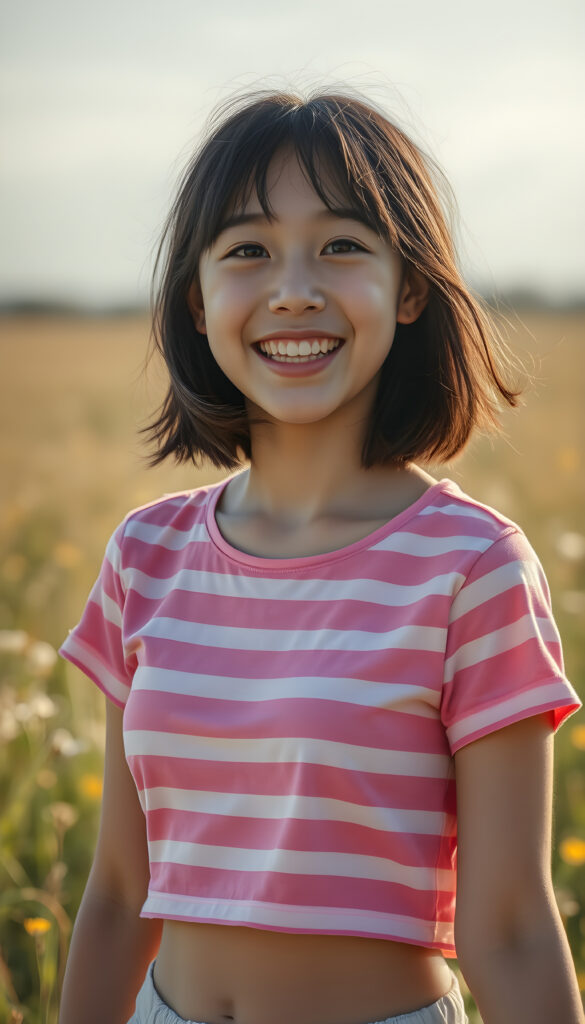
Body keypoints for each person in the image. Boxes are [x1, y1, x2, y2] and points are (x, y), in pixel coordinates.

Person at [58, 87, 584, 1024]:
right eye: (247, 250)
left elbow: (507, 926)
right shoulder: (146, 554)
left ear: (409, 287)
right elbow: (113, 894)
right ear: (198, 295)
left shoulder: (471, 567)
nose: (293, 288)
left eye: (342, 246)